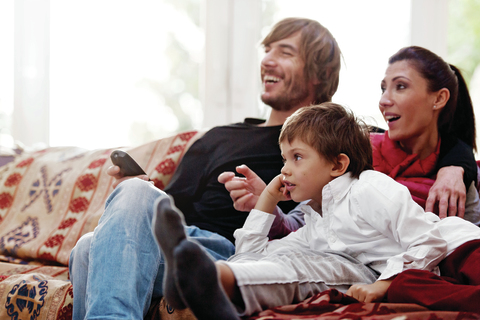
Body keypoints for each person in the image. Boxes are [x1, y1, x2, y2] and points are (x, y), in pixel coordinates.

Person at [69, 17, 342, 320]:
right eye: (267, 50)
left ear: (322, 73)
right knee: (87, 247)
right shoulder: (218, 138)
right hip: (181, 247)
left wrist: (266, 200)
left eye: (285, 53)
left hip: (237, 255)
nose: (267, 60)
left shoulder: (332, 142)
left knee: (94, 244)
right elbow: (168, 210)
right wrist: (138, 194)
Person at [152, 103, 451, 319]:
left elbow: (430, 239)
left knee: (300, 270)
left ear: (337, 165)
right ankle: (204, 285)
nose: (285, 170)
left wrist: (385, 283)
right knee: (279, 256)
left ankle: (203, 279)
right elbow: (250, 255)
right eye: (284, 159)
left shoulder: (368, 188)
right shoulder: (314, 220)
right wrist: (268, 197)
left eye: (297, 158)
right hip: (334, 259)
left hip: (370, 272)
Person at [221, 46, 479, 226]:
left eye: (400, 86)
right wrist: (266, 205)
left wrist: (457, 168)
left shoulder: (457, 177)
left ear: (439, 98)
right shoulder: (358, 151)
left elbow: (465, 242)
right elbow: (300, 224)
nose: (384, 100)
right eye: (383, 88)